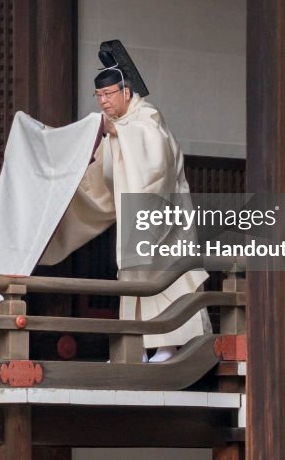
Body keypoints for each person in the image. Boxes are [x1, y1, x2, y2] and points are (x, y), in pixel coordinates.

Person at [41, 42, 209, 363]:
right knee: (134, 282)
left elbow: (154, 159)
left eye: (109, 95)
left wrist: (117, 132)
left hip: (164, 223)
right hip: (137, 223)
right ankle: (138, 348)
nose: (103, 102)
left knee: (163, 278)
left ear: (127, 93)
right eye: (99, 96)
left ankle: (168, 345)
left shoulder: (147, 119)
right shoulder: (119, 127)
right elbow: (106, 175)